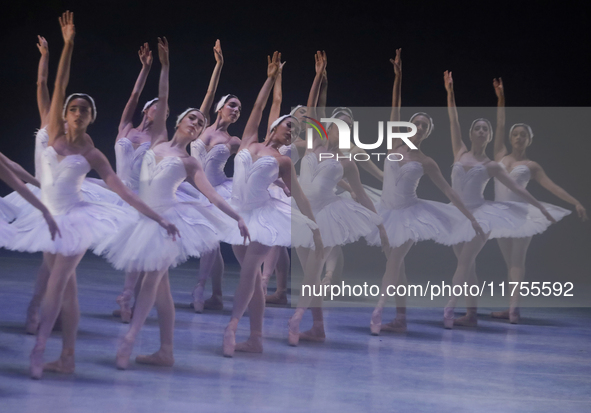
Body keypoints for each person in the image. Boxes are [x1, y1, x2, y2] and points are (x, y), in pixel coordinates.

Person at [12, 12, 179, 379]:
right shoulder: (53, 130)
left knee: (57, 284)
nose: (77, 113)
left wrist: (160, 217)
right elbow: (54, 84)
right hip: (47, 212)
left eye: (84, 111)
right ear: (66, 115)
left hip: (74, 219)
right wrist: (66, 44)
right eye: (73, 109)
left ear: (91, 118)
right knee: (67, 293)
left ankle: (40, 349)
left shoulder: (93, 154)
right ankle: (67, 356)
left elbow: (124, 193)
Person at [368, 49, 485, 335]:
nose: (418, 127)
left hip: (409, 215)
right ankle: (401, 318)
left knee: (395, 262)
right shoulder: (394, 143)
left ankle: (378, 311)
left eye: (424, 126)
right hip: (385, 211)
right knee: (398, 269)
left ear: (427, 132)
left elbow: (447, 189)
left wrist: (470, 216)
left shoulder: (426, 161)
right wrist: (398, 77)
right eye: (416, 123)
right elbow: (393, 108)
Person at [221, 52, 323, 357]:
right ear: (275, 126)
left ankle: (232, 327)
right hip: (238, 213)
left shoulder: (283, 161)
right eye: (287, 125)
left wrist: (314, 227)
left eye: (294, 127)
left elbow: (300, 196)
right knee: (252, 280)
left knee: (250, 271)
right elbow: (260, 106)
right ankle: (256, 339)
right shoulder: (250, 139)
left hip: (266, 216)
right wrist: (270, 78)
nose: (291, 130)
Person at [442, 70, 556, 328]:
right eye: (478, 128)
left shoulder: (493, 165)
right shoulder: (459, 152)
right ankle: (471, 315)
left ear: (490, 136)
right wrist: (450, 92)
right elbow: (453, 121)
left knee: (464, 263)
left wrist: (541, 208)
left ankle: (449, 309)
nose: (481, 131)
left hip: (479, 218)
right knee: (468, 267)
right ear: (471, 134)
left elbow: (520, 190)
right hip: (455, 214)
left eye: (486, 129)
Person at [491, 78, 587, 323]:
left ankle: (513, 310)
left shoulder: (531, 166)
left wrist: (575, 201)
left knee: (517, 261)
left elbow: (552, 186)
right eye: (516, 134)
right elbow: (500, 124)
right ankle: (512, 307)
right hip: (500, 213)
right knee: (507, 263)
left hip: (522, 215)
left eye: (523, 135)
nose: (518, 137)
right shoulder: (500, 155)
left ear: (529, 140)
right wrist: (501, 98)